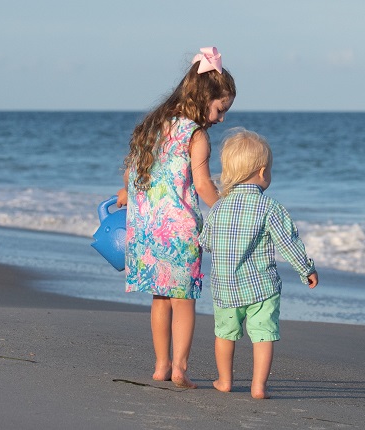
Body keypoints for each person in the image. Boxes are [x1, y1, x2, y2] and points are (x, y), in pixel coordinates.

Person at [116, 46, 235, 389]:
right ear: (204, 98)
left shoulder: (154, 126)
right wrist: (226, 210)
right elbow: (201, 184)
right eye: (219, 109)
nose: (221, 118)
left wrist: (125, 193)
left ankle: (160, 365)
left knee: (160, 299)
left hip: (147, 228)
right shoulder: (196, 137)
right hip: (179, 229)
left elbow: (132, 171)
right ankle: (180, 368)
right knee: (184, 300)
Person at [198, 128, 319, 399]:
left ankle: (225, 380)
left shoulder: (219, 207)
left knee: (225, 333)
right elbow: (289, 243)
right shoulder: (270, 207)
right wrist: (306, 269)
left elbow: (205, 241)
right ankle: (258, 386)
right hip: (261, 287)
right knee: (263, 334)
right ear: (263, 172)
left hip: (226, 289)